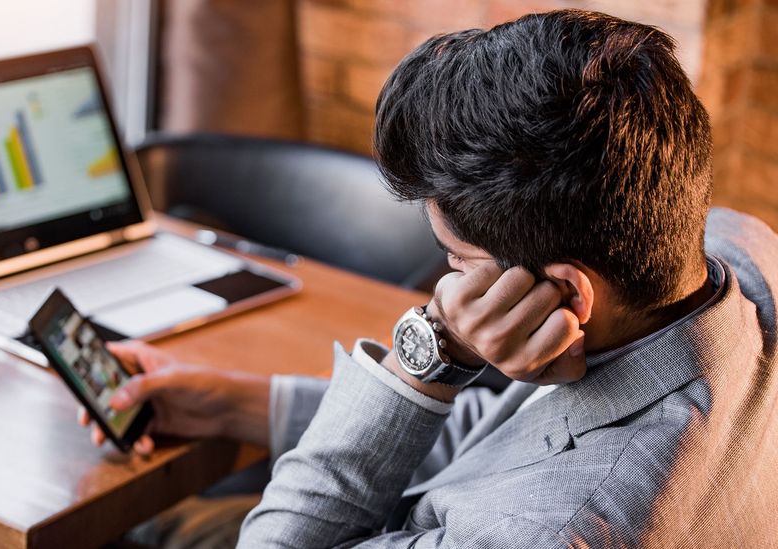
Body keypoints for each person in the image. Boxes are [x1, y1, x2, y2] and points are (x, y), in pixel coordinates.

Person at [81, 9, 778, 547]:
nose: (444, 291)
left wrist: (434, 347)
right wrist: (241, 403)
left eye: (456, 263)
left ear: (566, 294)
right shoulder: (742, 254)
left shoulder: (544, 530)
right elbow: (524, 439)